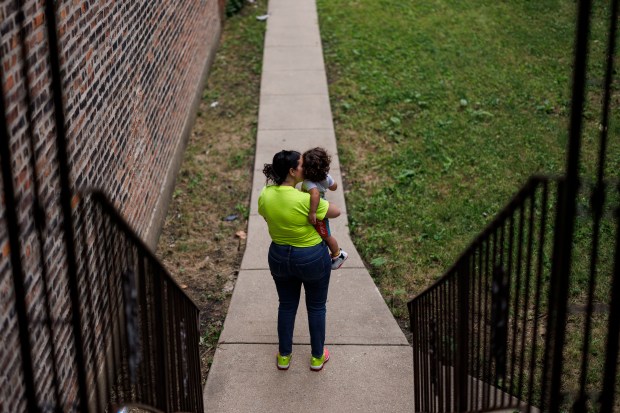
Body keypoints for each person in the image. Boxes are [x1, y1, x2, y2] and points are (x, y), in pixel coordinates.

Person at [258, 150, 341, 371]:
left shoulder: (265, 194)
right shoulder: (306, 199)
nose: (307, 168)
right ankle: (316, 357)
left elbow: (266, 215)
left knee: (286, 306)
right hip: (311, 258)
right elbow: (336, 212)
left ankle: (284, 356)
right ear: (293, 171)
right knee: (316, 307)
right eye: (303, 165)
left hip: (278, 256)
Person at [301, 147, 348, 270]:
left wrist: (312, 212)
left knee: (326, 235)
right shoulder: (326, 177)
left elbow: (315, 194)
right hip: (322, 205)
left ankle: (338, 254)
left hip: (318, 210)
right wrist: (327, 182)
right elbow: (334, 187)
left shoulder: (308, 182)